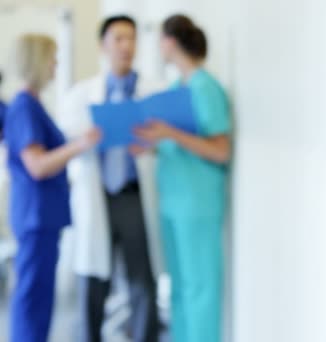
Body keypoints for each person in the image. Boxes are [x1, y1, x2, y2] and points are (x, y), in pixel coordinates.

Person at [56, 15, 162, 342]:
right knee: (93, 285)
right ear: (103, 45)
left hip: (134, 198)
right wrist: (85, 140)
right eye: (118, 39)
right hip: (98, 196)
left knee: (142, 282)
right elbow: (67, 142)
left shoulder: (151, 93)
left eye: (131, 39)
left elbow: (169, 142)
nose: (126, 46)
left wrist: (152, 146)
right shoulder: (81, 94)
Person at [134, 14, 231, 342]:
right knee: (177, 287)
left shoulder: (206, 87)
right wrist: (151, 147)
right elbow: (177, 144)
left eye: (159, 40)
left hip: (197, 203)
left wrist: (170, 133)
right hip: (173, 200)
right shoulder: (177, 89)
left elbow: (220, 149)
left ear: (170, 42)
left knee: (199, 289)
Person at [4, 34, 100, 342]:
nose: (56, 66)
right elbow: (37, 165)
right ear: (36, 61)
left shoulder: (32, 105)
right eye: (52, 59)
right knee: (32, 297)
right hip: (35, 214)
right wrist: (80, 145)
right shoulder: (23, 107)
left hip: (42, 214)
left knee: (41, 296)